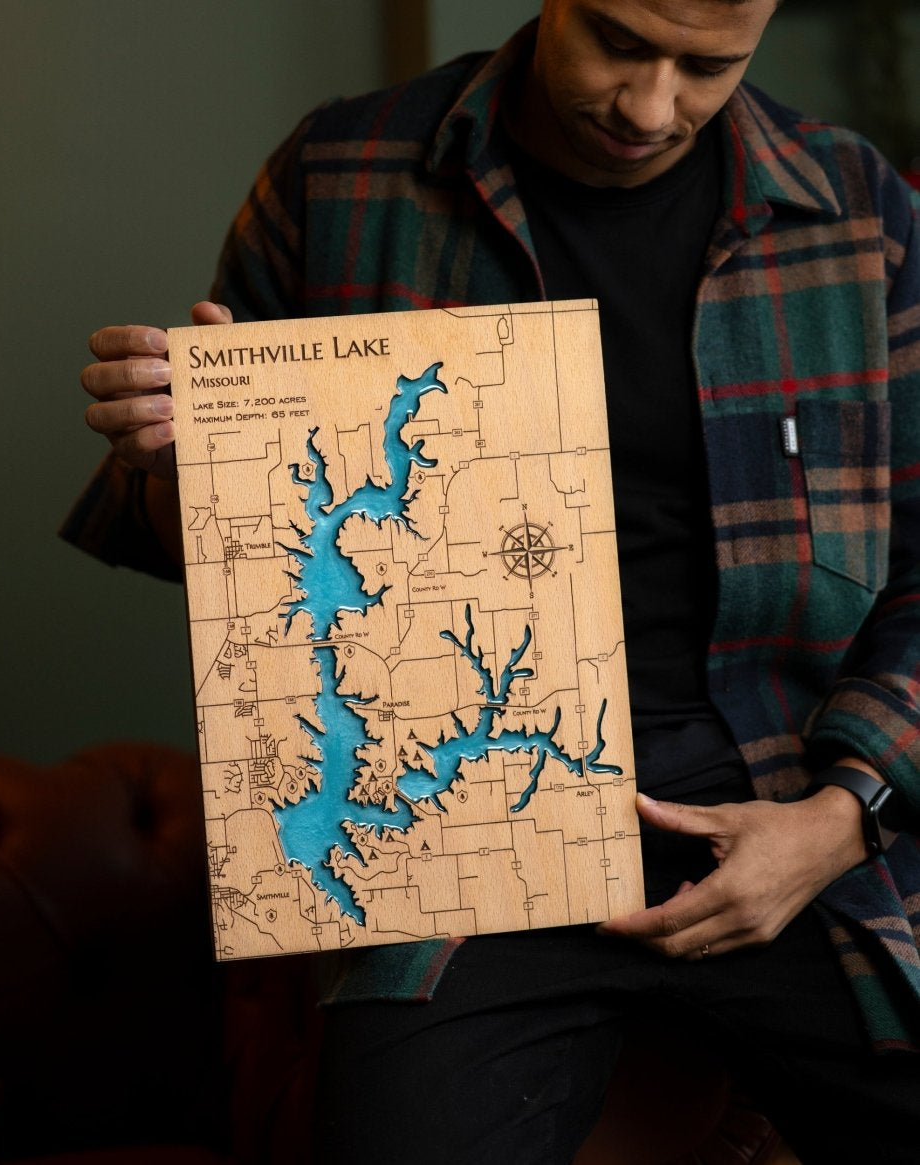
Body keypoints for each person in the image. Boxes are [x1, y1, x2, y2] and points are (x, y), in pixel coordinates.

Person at [68, 0, 920, 1160]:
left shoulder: (855, 207)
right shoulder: (343, 170)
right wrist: (173, 451)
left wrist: (840, 817)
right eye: (618, 44)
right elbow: (234, 566)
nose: (648, 106)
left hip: (780, 806)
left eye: (707, 67)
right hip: (450, 830)